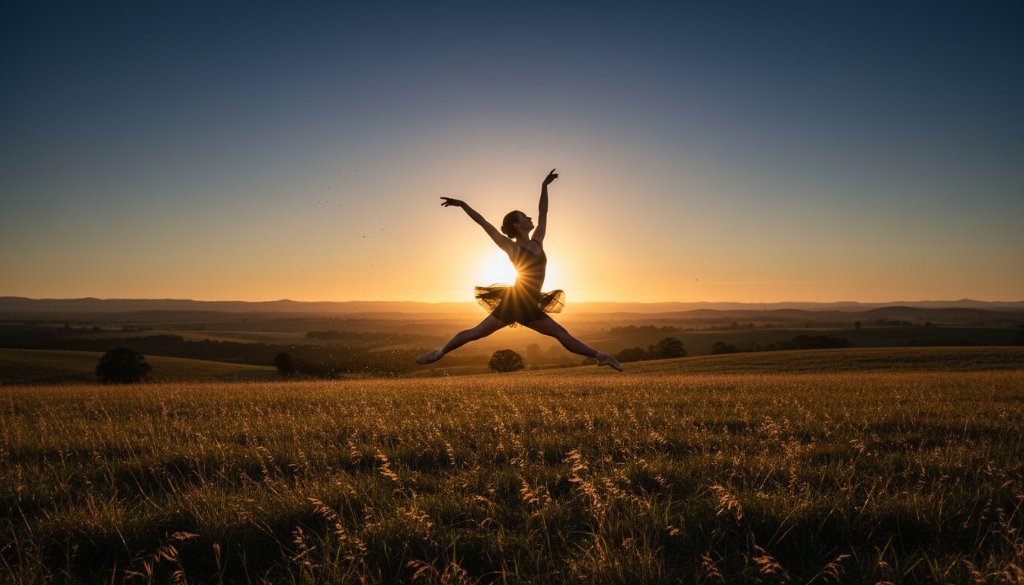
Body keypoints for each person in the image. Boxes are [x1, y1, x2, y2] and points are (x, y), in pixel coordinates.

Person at [417, 169, 624, 371]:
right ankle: (440, 352)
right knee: (477, 332)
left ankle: (601, 356)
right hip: (515, 303)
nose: (530, 218)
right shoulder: (512, 247)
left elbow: (543, 212)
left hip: (529, 304)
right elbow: (484, 223)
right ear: (517, 225)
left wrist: (544, 186)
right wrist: (462, 204)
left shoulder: (538, 241)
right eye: (524, 216)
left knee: (561, 334)